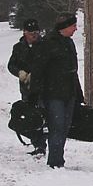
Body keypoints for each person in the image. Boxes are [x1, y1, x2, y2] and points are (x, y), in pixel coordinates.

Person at [30, 12, 84, 169]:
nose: (75, 29)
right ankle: (55, 161)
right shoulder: (47, 43)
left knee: (65, 127)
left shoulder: (69, 43)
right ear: (65, 27)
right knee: (57, 126)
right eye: (73, 25)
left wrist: (78, 93)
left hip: (69, 92)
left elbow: (72, 71)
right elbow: (38, 70)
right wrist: (35, 94)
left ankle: (58, 158)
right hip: (53, 93)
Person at [7, 18, 47, 155]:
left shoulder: (44, 46)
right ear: (25, 32)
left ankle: (42, 145)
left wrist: (37, 75)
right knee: (30, 117)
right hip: (27, 89)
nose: (34, 35)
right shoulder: (18, 48)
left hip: (43, 88)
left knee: (42, 116)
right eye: (31, 32)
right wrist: (19, 72)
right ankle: (37, 143)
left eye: (36, 32)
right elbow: (11, 65)